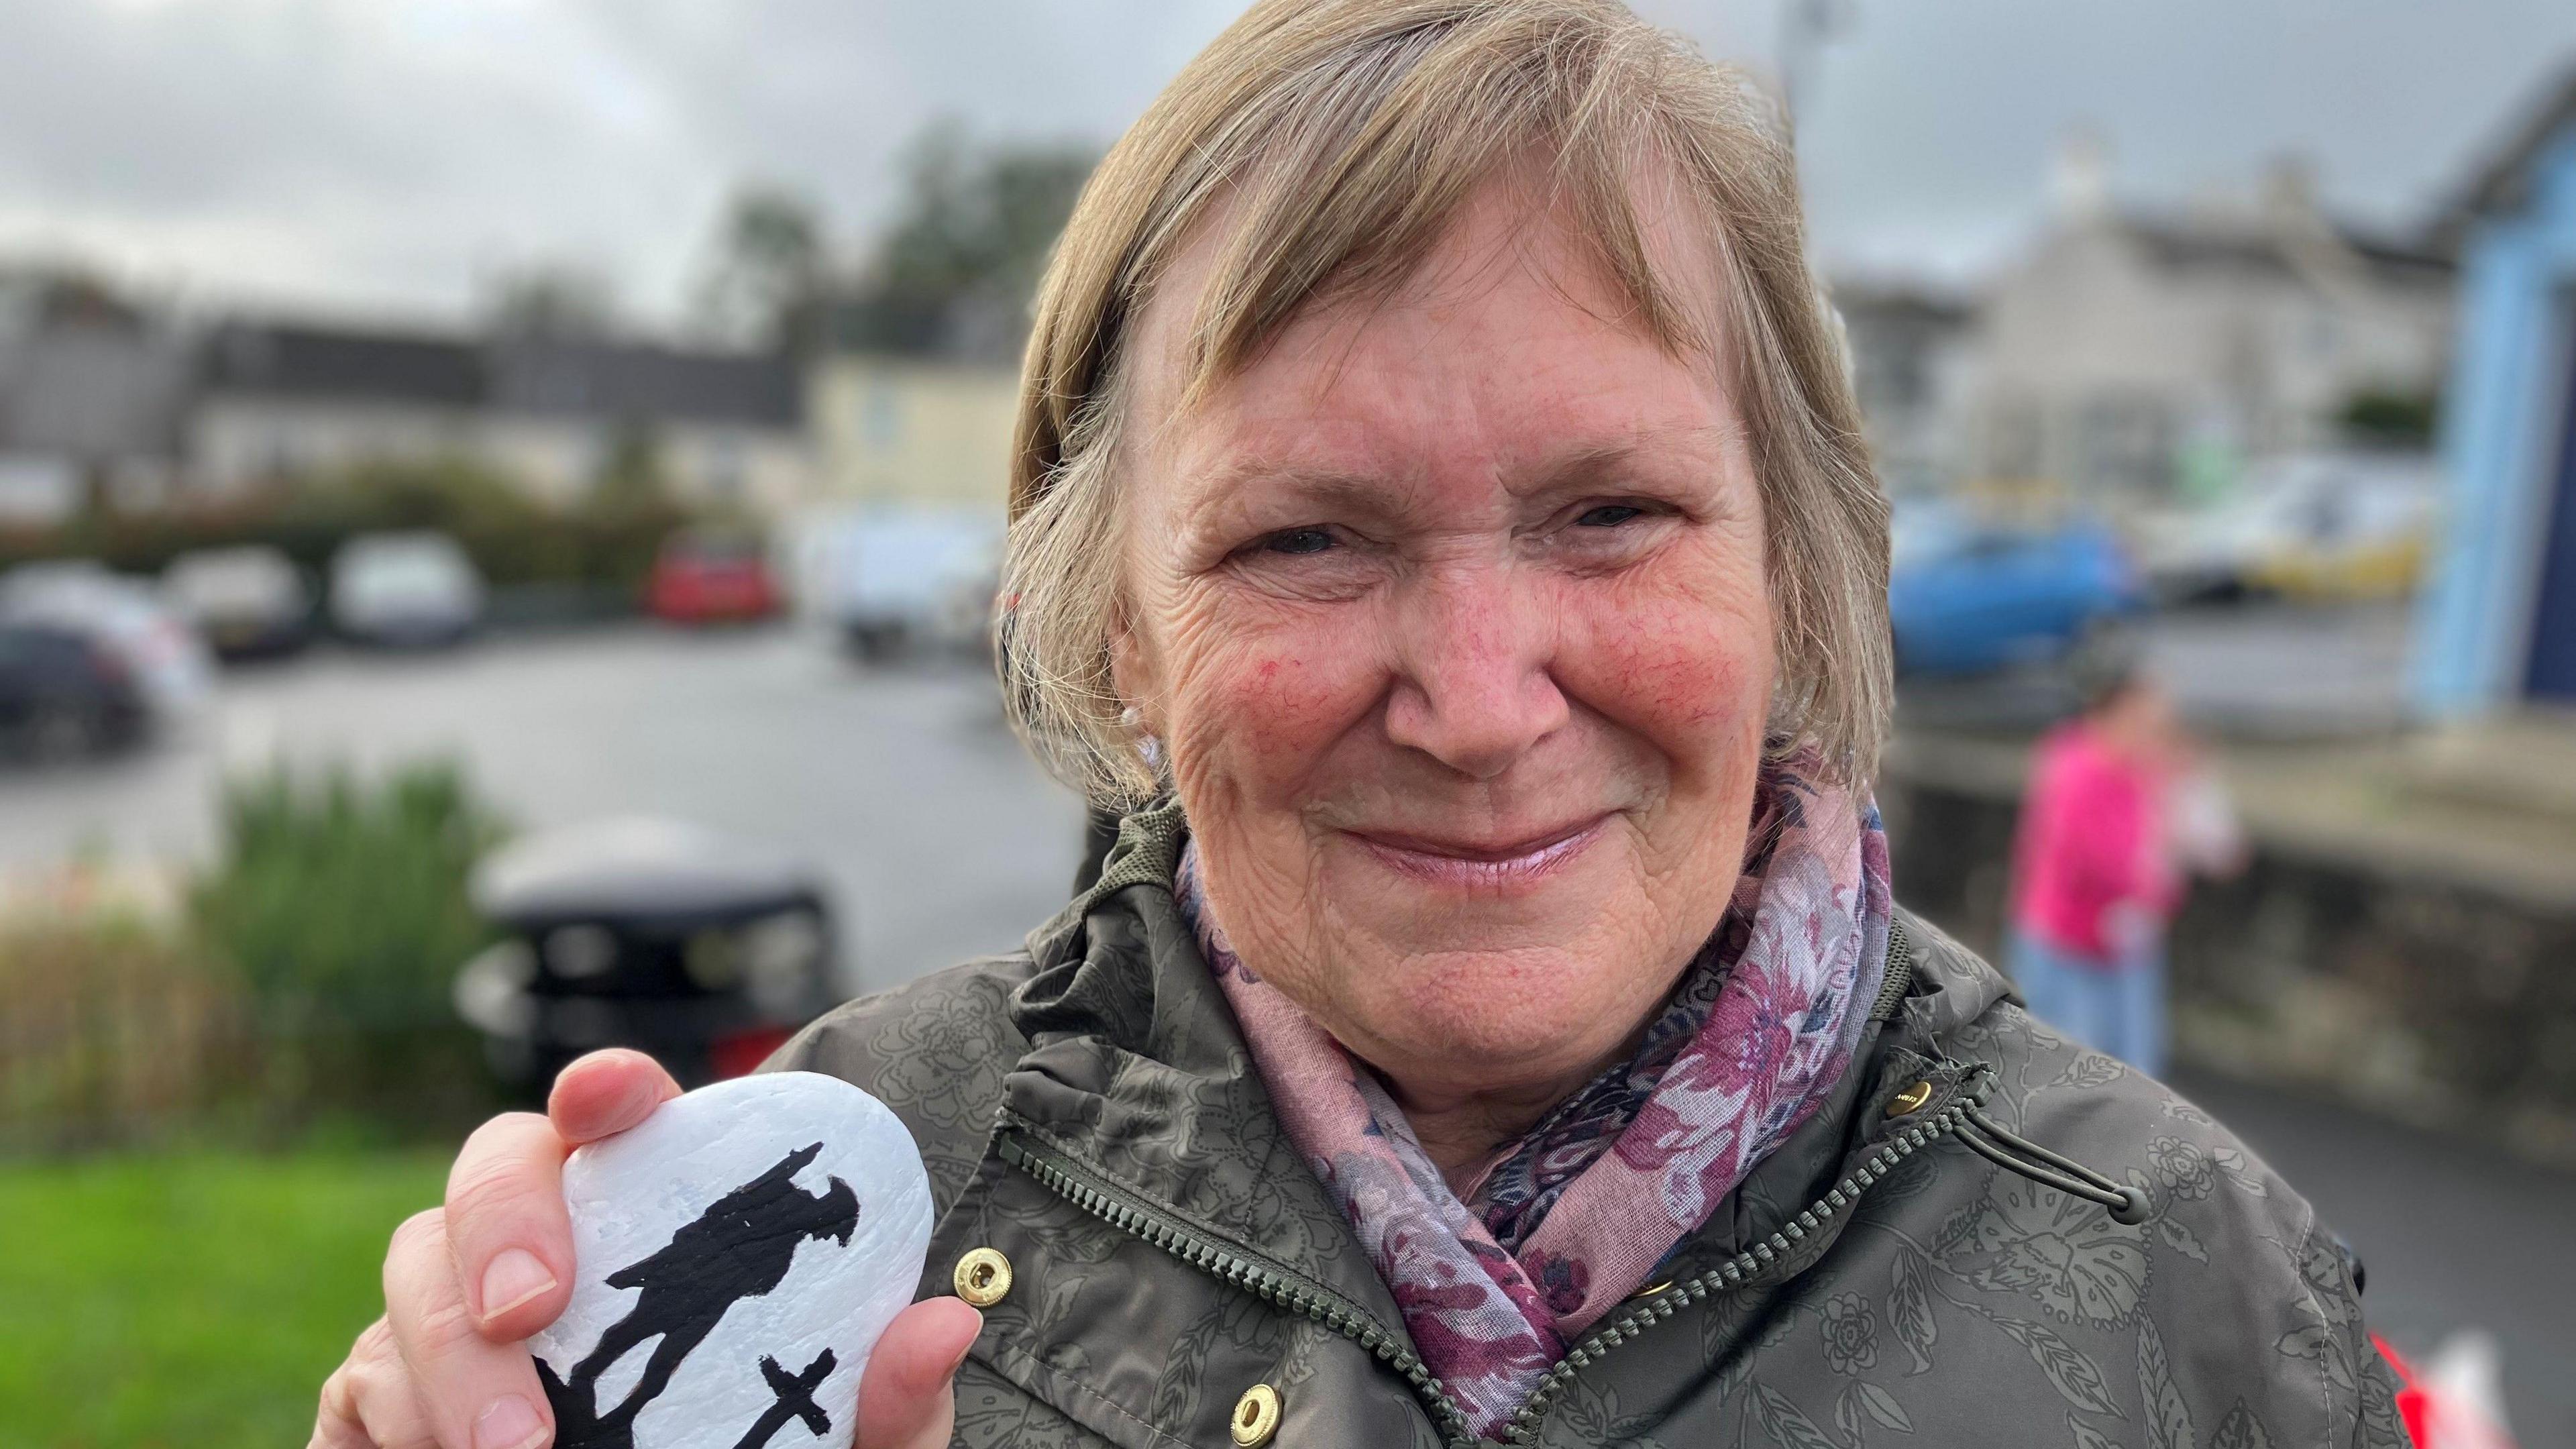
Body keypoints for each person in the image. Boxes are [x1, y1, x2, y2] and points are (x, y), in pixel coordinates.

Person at [314, 4, 2402, 1447]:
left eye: (1609, 514)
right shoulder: (857, 1195)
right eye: (1307, 538)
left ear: (1788, 572)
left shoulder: (2185, 1300)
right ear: (1113, 628)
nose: (1482, 705)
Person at [2009, 664, 2243, 1078]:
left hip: (2126, 945)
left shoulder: (2148, 771)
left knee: (2136, 1073)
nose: (2157, 737)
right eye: (2148, 722)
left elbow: (2217, 845)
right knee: (2064, 1072)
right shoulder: (2077, 767)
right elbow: (2087, 858)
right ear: (2115, 712)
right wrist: (2155, 872)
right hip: (2069, 943)